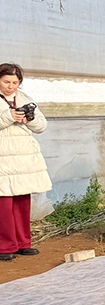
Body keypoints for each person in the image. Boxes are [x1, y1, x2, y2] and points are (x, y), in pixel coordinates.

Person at [0, 62, 50, 260]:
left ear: (19, 83)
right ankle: (5, 246)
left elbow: (42, 125)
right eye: (6, 81)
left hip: (23, 160)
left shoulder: (25, 99)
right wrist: (8, 116)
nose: (10, 86)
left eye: (14, 82)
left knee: (22, 201)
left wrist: (30, 119)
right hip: (3, 159)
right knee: (4, 203)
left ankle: (23, 243)